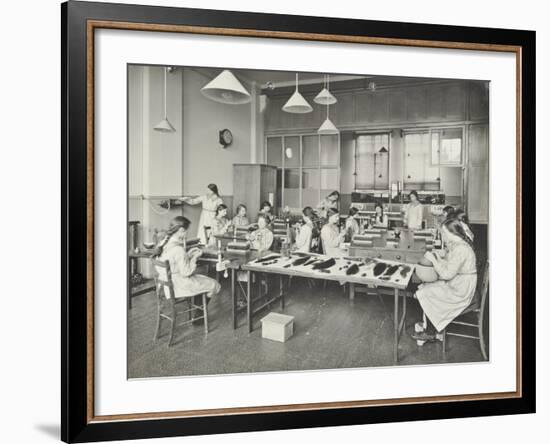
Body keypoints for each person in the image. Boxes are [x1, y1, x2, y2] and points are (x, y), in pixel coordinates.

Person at [411, 217, 478, 342]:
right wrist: (438, 259)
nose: (444, 237)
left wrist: (434, 260)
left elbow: (447, 274)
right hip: (459, 283)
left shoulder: (461, 249)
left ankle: (431, 332)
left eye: (445, 234)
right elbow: (450, 266)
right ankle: (432, 325)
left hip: (461, 290)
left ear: (453, 233)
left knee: (427, 291)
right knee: (426, 287)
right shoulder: (459, 245)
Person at [154, 216, 221, 300]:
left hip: (165, 282)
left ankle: (198, 307)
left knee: (203, 279)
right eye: (186, 231)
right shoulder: (178, 249)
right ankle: (199, 311)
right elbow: (186, 272)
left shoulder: (164, 243)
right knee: (214, 284)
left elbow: (174, 261)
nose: (187, 233)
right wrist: (195, 257)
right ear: (181, 230)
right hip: (177, 285)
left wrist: (188, 254)